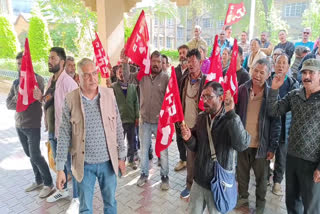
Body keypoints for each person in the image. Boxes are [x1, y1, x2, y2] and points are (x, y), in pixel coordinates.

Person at [55, 58, 126, 214]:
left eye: (94, 73)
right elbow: (64, 135)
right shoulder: (70, 100)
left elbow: (118, 126)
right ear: (79, 78)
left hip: (108, 162)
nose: (92, 78)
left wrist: (121, 156)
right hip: (84, 164)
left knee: (111, 204)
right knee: (85, 207)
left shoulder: (108, 94)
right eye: (87, 75)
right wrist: (60, 169)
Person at [180, 82, 250, 214]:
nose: (205, 101)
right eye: (203, 97)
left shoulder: (231, 120)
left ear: (221, 98)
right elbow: (196, 147)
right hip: (199, 180)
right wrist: (189, 138)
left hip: (218, 183)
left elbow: (241, 145)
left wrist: (231, 114)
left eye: (209, 97)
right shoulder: (201, 118)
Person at [268, 58, 320, 214]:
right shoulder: (295, 95)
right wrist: (274, 90)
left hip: (313, 163)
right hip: (292, 158)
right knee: (292, 203)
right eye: (304, 72)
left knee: (311, 207)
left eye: (311, 72)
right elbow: (274, 111)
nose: (307, 76)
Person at [33, 47, 78, 205]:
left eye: (53, 58)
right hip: (53, 130)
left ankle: (77, 198)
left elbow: (76, 110)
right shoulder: (52, 80)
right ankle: (63, 190)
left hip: (66, 132)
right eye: (49, 58)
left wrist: (73, 133)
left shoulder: (69, 83)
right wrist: (41, 98)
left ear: (62, 61)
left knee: (72, 165)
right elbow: (49, 101)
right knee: (61, 164)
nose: (49, 61)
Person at [6, 52, 54, 198]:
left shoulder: (37, 80)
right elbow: (9, 103)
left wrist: (21, 100)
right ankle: (38, 180)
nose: (20, 66)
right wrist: (19, 100)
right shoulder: (16, 82)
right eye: (18, 64)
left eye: (22, 63)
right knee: (29, 155)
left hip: (32, 124)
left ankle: (48, 183)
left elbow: (31, 100)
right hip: (19, 124)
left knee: (35, 155)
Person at [236, 58, 280, 214]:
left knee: (262, 179)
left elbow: (276, 122)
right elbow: (234, 115)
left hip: (262, 145)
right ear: (251, 70)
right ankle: (242, 198)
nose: (258, 75)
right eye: (256, 70)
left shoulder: (271, 95)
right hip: (243, 143)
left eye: (262, 72)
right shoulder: (242, 90)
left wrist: (272, 147)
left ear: (268, 75)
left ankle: (260, 204)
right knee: (241, 175)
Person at [123, 51, 170, 190]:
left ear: (162, 63)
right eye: (154, 61)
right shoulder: (142, 76)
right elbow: (127, 78)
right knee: (143, 150)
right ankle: (144, 174)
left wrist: (168, 120)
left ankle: (165, 177)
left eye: (158, 61)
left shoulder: (166, 78)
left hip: (160, 122)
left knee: (163, 152)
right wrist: (125, 62)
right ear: (150, 62)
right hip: (145, 121)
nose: (156, 64)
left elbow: (171, 100)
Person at [268, 54, 299, 196]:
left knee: (281, 155)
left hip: (284, 125)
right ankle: (266, 176)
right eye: (278, 62)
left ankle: (277, 182)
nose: (280, 65)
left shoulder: (293, 84)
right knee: (266, 153)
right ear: (274, 65)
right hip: (268, 124)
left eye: (283, 63)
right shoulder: (268, 79)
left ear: (288, 67)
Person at [177, 49, 207, 199]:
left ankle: (203, 186)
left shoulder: (207, 80)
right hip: (188, 127)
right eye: (188, 62)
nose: (190, 64)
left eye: (193, 62)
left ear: (201, 63)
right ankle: (189, 185)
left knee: (203, 157)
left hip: (203, 127)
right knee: (190, 158)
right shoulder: (184, 79)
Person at [111, 64, 139, 170]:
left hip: (131, 119)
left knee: (131, 142)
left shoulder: (132, 87)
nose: (122, 74)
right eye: (119, 72)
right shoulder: (113, 87)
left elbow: (136, 102)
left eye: (124, 72)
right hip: (119, 121)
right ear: (117, 74)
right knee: (119, 142)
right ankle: (119, 161)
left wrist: (137, 116)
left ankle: (131, 160)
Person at [174, 45, 189, 172]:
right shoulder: (174, 71)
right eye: (180, 53)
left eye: (184, 52)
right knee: (179, 136)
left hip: (189, 109)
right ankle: (183, 159)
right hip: (177, 110)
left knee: (190, 134)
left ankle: (191, 159)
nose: (182, 55)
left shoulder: (192, 71)